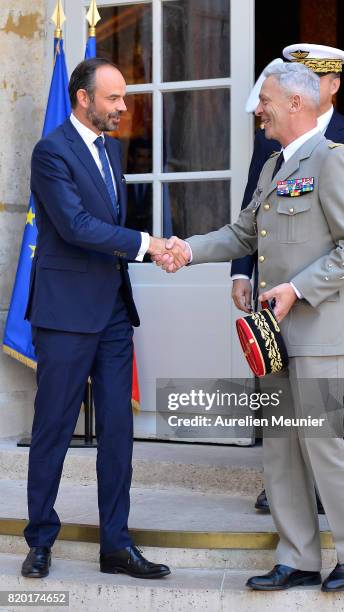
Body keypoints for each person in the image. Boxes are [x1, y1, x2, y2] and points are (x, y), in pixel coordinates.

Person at [156, 62, 344, 592]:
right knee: (281, 446)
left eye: (266, 101)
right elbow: (242, 233)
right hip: (276, 335)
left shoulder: (334, 160)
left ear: (296, 104)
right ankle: (298, 556)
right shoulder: (275, 165)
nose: (259, 110)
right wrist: (187, 249)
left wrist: (297, 288)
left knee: (321, 441)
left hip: (322, 329)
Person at [21, 57, 187, 580]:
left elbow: (109, 224)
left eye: (123, 97)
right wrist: (148, 244)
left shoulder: (111, 151)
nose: (123, 107)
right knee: (53, 430)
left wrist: (152, 247)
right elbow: (75, 226)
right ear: (83, 99)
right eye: (113, 98)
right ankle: (40, 540)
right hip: (66, 315)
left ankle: (116, 545)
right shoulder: (51, 152)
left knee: (118, 433)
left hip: (114, 313)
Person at [232, 44, 344, 514]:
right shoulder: (273, 151)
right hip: (275, 316)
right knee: (282, 436)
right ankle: (296, 551)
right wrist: (233, 266)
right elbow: (250, 220)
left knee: (324, 429)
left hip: (323, 311)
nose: (261, 110)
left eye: (315, 76)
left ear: (329, 85)